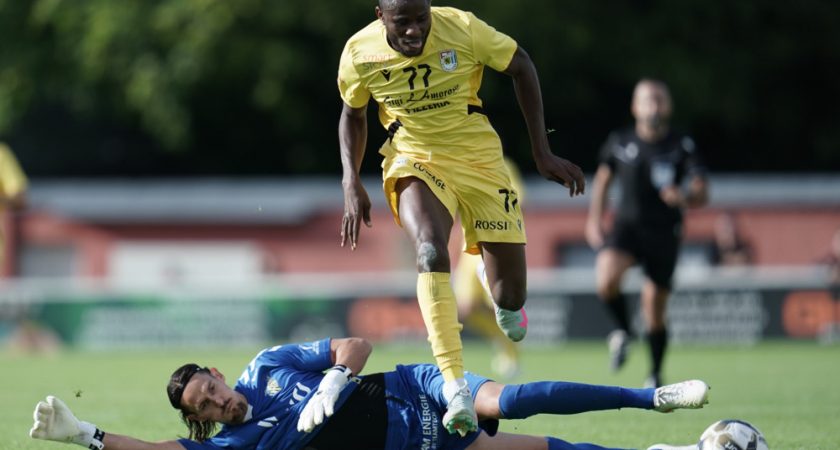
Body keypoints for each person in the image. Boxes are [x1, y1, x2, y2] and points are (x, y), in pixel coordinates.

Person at [337, 0, 585, 434]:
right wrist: (350, 180)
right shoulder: (359, 52)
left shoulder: (462, 28)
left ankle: (496, 286)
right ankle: (455, 386)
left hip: (480, 160)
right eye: (402, 22)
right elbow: (353, 114)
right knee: (430, 252)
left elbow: (522, 65)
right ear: (380, 16)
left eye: (422, 19)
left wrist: (541, 151)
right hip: (413, 157)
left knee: (511, 298)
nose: (415, 31)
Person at [30, 336, 711, 450]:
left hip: (418, 388)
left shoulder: (266, 365)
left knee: (508, 401)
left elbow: (354, 346)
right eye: (203, 409)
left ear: (215, 371)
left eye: (209, 388)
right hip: (420, 446)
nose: (215, 403)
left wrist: (333, 381)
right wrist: (85, 434)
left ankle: (650, 397)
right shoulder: (238, 445)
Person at [584, 79, 709, 388]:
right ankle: (624, 330)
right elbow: (603, 180)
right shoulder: (620, 142)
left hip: (664, 232)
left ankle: (654, 374)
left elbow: (701, 190)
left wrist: (684, 196)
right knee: (606, 278)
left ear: (668, 106)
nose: (654, 106)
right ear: (635, 107)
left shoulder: (681, 145)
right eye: (647, 100)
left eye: (659, 99)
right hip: (626, 227)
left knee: (653, 306)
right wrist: (594, 219)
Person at [453, 158, 524, 380]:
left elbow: (517, 199)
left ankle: (511, 353)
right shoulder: (454, 159)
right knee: (465, 310)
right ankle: (500, 339)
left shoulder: (502, 164)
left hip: (491, 243)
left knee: (498, 304)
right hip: (467, 250)